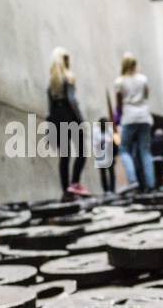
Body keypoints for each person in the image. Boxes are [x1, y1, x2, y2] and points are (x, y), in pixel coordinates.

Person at [46, 47, 89, 197]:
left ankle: (66, 191)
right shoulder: (68, 77)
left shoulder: (52, 82)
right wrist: (81, 121)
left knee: (65, 156)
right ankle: (75, 183)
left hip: (57, 118)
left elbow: (50, 108)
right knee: (82, 152)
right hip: (69, 116)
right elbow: (72, 101)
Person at [114, 53, 155, 191]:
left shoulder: (120, 81)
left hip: (129, 117)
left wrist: (118, 117)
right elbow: (146, 95)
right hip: (144, 116)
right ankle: (150, 183)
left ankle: (132, 180)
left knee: (124, 149)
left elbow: (119, 104)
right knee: (145, 151)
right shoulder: (143, 79)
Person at [92, 117, 117, 194]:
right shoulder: (96, 131)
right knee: (103, 173)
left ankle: (112, 189)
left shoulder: (109, 129)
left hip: (109, 153)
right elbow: (94, 143)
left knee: (111, 171)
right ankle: (106, 190)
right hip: (100, 154)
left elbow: (114, 141)